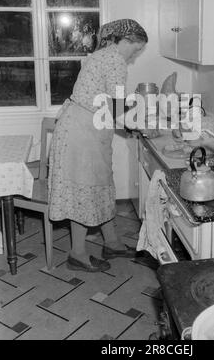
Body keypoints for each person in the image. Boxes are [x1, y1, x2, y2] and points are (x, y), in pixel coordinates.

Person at [48, 19, 148, 272]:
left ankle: (112, 243)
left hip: (82, 126)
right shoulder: (114, 61)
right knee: (86, 189)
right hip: (83, 133)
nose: (135, 56)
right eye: (136, 49)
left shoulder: (103, 56)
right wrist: (144, 126)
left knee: (101, 185)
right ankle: (77, 255)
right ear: (124, 41)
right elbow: (116, 109)